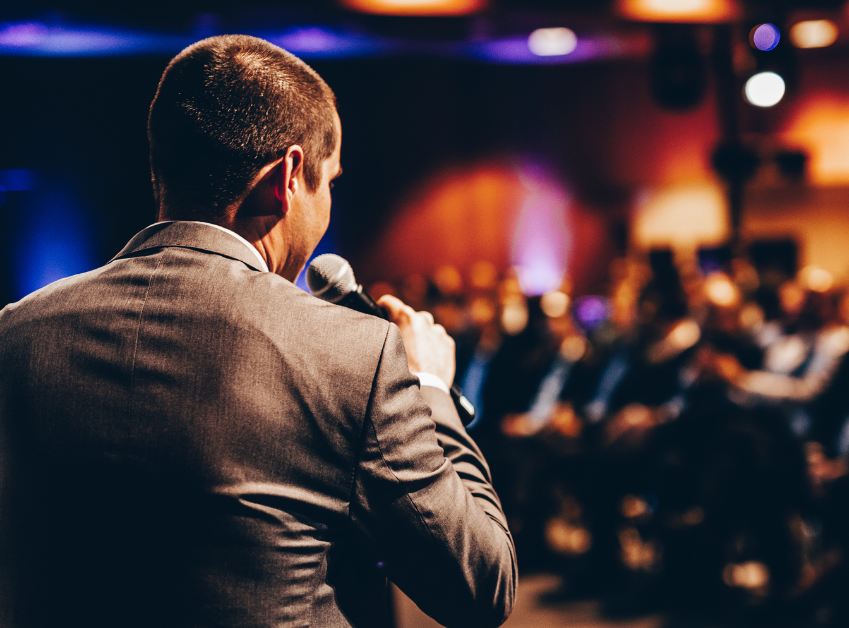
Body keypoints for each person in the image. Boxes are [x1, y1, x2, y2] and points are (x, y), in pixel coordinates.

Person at [0, 35, 516, 628]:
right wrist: (428, 389)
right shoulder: (352, 352)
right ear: (289, 177)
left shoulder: (16, 334)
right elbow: (481, 587)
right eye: (330, 181)